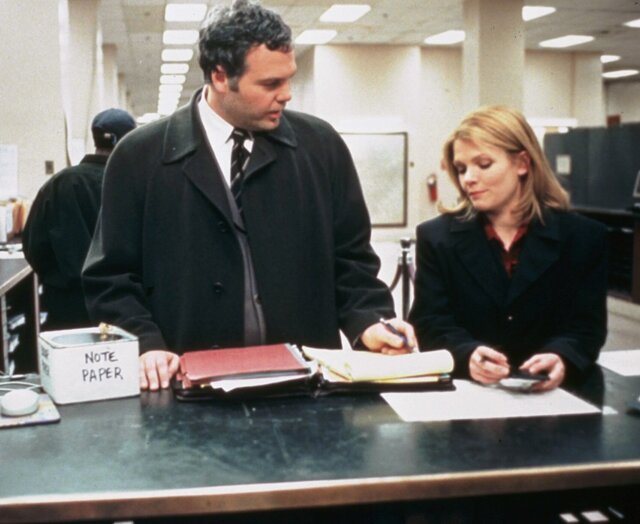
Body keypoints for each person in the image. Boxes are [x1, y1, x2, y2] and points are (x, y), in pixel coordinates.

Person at [82, 0, 415, 391]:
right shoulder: (139, 157)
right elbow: (111, 276)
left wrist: (370, 320)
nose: (287, 95)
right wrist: (144, 343)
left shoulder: (321, 147)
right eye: (271, 84)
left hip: (305, 388)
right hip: (188, 388)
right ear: (220, 76)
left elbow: (352, 261)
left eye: (288, 80)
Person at [408, 105, 607, 391]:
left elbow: (587, 327)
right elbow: (429, 322)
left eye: (483, 164)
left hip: (555, 397)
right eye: (461, 169)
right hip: (468, 397)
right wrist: (467, 355)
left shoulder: (584, 238)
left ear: (522, 163)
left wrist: (562, 357)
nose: (468, 178)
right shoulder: (436, 238)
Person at [23, 108, 136, 330]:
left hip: (66, 307)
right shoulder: (133, 184)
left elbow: (33, 246)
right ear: (129, 141)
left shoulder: (58, 183)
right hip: (123, 305)